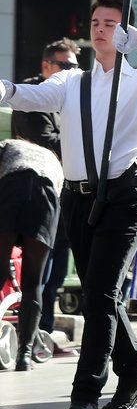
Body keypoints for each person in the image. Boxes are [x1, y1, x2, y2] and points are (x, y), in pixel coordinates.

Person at [1, 0, 137, 409]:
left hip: (125, 194)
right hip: (77, 196)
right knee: (99, 294)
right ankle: (136, 374)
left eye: (110, 22)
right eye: (95, 21)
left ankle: (85, 392)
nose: (100, 28)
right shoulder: (73, 82)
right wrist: (5, 90)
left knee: (102, 294)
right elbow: (33, 96)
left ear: (124, 30)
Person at [10, 39, 78, 337]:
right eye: (65, 66)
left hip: (62, 194)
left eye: (76, 66)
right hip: (35, 195)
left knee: (57, 272)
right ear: (47, 66)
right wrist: (81, 138)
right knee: (39, 274)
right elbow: (45, 142)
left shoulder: (73, 93)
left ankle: (43, 332)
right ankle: (34, 333)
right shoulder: (33, 95)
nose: (72, 72)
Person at [0, 138, 62, 370]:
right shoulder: (55, 163)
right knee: (33, 281)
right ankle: (24, 356)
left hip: (13, 186)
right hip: (46, 197)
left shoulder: (7, 146)